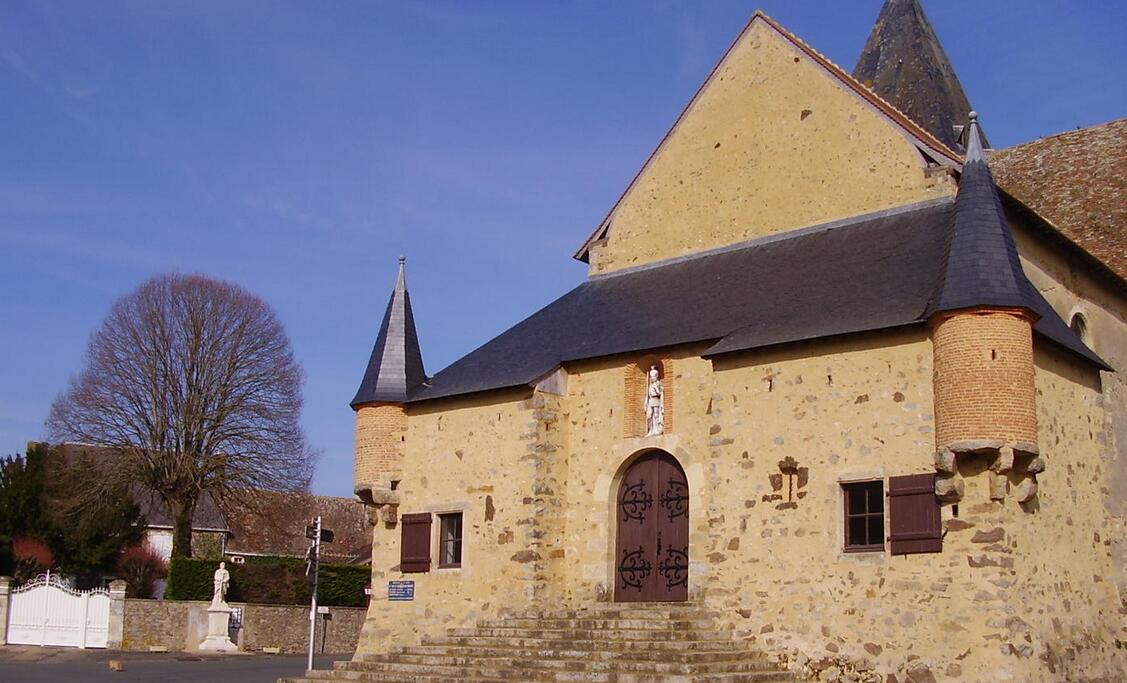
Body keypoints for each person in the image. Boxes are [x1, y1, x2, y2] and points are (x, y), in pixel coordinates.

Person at [645, 365, 664, 436]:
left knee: (656, 415)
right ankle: (651, 429)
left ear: (657, 377)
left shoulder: (658, 384)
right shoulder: (650, 385)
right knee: (649, 415)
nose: (652, 378)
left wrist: (656, 387)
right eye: (651, 377)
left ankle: (656, 429)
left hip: (656, 400)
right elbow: (648, 394)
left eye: (653, 377)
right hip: (651, 401)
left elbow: (660, 393)